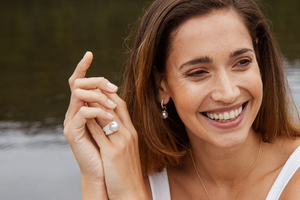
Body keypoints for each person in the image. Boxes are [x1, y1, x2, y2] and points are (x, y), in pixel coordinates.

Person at [63, 0, 300, 199]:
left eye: (242, 62)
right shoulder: (132, 179)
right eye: (198, 72)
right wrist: (94, 178)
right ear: (160, 86)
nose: (227, 93)